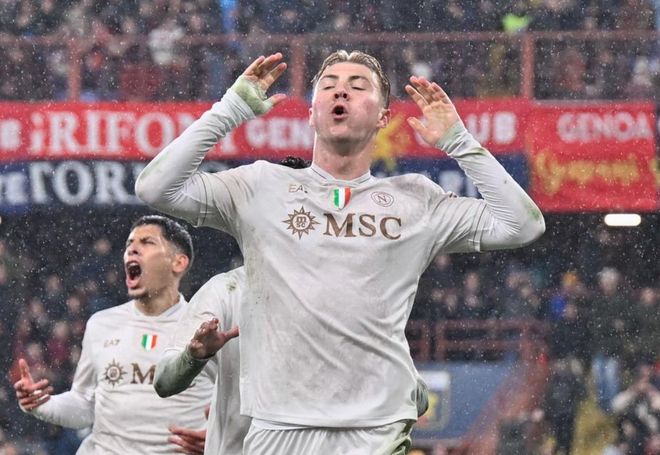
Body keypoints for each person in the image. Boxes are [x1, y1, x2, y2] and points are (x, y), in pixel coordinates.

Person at [135, 50, 545, 453]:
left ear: (383, 117)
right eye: (329, 85)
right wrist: (230, 110)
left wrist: (458, 141)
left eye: (358, 86)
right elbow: (155, 187)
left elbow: (522, 224)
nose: (341, 92)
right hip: (277, 427)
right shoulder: (259, 186)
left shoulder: (416, 199)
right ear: (311, 114)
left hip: (375, 430)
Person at [13, 215, 214, 454]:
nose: (132, 249)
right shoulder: (102, 324)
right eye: (130, 244)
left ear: (178, 263)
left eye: (147, 242)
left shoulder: (207, 329)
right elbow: (84, 405)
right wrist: (40, 404)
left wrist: (220, 440)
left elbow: (243, 405)